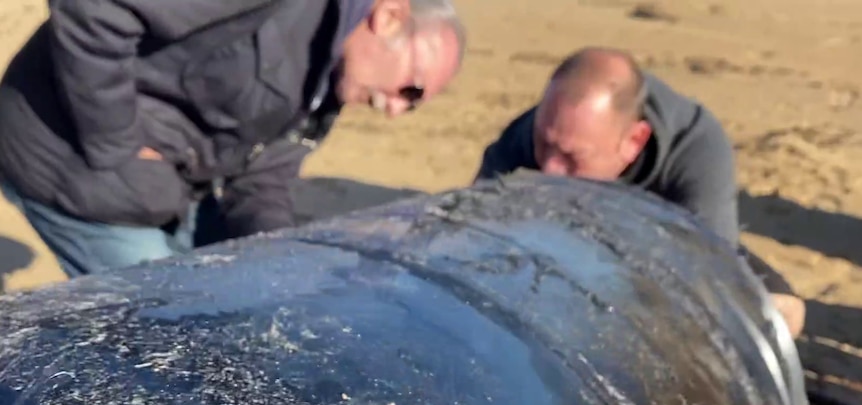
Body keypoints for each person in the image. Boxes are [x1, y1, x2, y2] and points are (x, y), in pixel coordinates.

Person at [0, 0, 465, 278]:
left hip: (162, 189)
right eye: (412, 89)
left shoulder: (329, 86)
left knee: (230, 292)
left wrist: (277, 253)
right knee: (164, 326)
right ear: (389, 15)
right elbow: (93, 10)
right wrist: (117, 145)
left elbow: (260, 178)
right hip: (62, 154)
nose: (397, 110)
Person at [473, 46, 806, 339]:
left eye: (573, 157)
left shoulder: (695, 146)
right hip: (554, 242)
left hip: (661, 254)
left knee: (782, 313)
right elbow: (475, 239)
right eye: (544, 144)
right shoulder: (527, 136)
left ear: (633, 143)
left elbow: (710, 273)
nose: (549, 169)